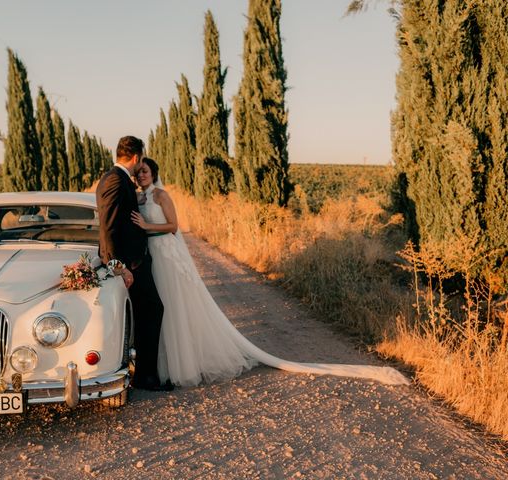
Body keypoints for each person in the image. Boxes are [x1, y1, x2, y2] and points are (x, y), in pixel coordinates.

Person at [131, 157, 409, 387]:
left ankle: (180, 368)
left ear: (154, 172)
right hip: (154, 256)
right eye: (138, 171)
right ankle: (160, 366)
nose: (140, 175)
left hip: (168, 253)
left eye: (144, 171)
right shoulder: (140, 198)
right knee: (161, 310)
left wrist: (146, 227)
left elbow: (173, 226)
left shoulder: (161, 195)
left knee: (176, 306)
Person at [96, 137, 171, 391]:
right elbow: (108, 227)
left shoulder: (115, 178)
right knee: (153, 311)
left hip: (134, 261)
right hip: (132, 264)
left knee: (144, 313)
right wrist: (119, 265)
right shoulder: (116, 180)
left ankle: (141, 374)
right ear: (137, 156)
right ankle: (145, 377)